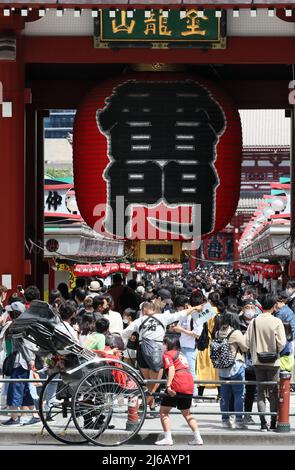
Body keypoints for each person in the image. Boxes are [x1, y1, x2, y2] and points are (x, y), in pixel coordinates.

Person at [122, 301, 198, 416]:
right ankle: (142, 406)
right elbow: (181, 313)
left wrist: (130, 339)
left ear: (144, 310)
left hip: (142, 352)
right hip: (156, 352)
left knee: (148, 382)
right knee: (155, 383)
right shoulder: (164, 317)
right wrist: (195, 308)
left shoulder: (139, 320)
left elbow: (125, 333)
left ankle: (150, 406)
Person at [245, 294, 286, 431]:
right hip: (274, 362)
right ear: (274, 306)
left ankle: (263, 423)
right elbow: (282, 343)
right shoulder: (277, 322)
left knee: (261, 392)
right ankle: (273, 421)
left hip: (257, 361)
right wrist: (275, 350)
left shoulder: (254, 321)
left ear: (261, 306)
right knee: (274, 392)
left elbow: (246, 342)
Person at [155, 336, 203, 446]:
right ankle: (198, 438)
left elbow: (171, 369)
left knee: (163, 412)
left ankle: (168, 438)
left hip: (177, 382)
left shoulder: (167, 354)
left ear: (169, 344)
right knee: (187, 413)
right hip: (188, 382)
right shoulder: (181, 354)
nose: (163, 345)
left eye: (164, 343)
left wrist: (168, 386)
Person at [3, 301, 40, 426]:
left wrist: (30, 360)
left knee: (16, 388)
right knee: (24, 389)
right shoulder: (23, 324)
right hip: (23, 360)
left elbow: (23, 346)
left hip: (20, 361)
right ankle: (35, 415)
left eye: (11, 311)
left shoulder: (19, 325)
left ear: (15, 313)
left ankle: (15, 418)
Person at [213, 308, 248, 430]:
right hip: (235, 367)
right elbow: (244, 348)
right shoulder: (236, 333)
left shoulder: (218, 332)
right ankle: (239, 420)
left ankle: (225, 420)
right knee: (239, 394)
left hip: (222, 368)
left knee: (224, 395)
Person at [171, 295, 202, 402]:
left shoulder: (196, 315)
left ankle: (193, 397)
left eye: (179, 308)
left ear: (185, 305)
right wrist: (175, 328)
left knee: (191, 373)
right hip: (181, 346)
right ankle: (184, 394)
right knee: (181, 372)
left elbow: (197, 334)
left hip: (190, 348)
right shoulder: (184, 315)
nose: (179, 311)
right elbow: (180, 327)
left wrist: (181, 330)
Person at [239, 299, 258, 425]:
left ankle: (248, 414)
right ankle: (236, 415)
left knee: (250, 390)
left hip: (253, 360)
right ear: (243, 308)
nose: (249, 309)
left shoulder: (258, 322)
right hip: (240, 359)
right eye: (247, 307)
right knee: (238, 390)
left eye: (252, 307)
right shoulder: (237, 322)